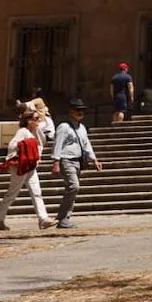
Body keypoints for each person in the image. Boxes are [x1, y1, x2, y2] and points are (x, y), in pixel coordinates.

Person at [0, 110, 56, 231]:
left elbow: (41, 145)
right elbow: (12, 145)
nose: (39, 121)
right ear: (29, 120)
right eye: (36, 118)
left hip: (31, 166)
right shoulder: (22, 132)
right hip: (21, 166)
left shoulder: (37, 132)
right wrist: (25, 147)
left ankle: (43, 219)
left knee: (36, 191)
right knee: (12, 193)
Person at [50, 98, 102, 229]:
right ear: (71, 111)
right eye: (78, 110)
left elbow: (86, 144)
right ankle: (61, 217)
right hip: (66, 160)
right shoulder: (64, 127)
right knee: (74, 186)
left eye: (83, 110)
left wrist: (94, 159)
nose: (81, 113)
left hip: (78, 161)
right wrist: (55, 162)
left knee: (72, 189)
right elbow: (58, 144)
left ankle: (65, 218)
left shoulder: (82, 128)